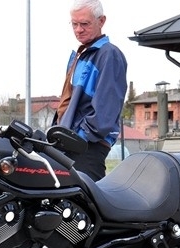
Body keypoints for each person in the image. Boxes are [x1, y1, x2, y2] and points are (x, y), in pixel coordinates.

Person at [54, 0, 127, 181]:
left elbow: (106, 110)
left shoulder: (108, 54)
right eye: (74, 24)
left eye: (85, 24)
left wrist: (79, 137)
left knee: (86, 197)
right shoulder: (82, 55)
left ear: (101, 21)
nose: (79, 30)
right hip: (70, 144)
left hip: (86, 147)